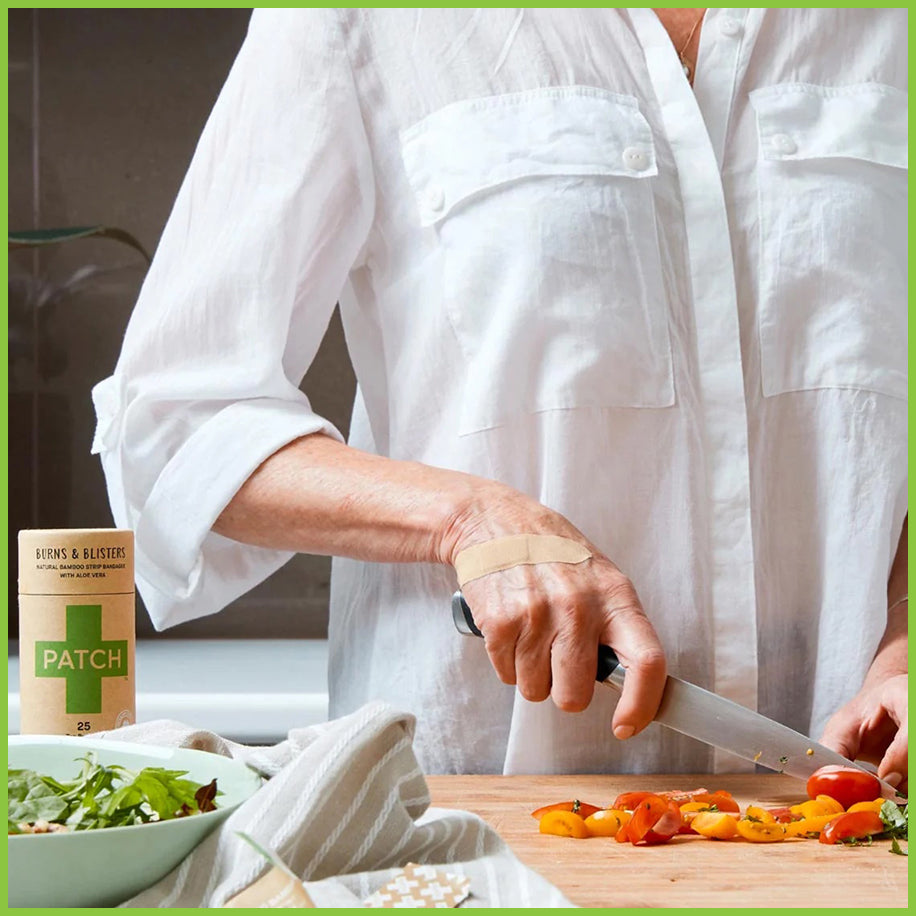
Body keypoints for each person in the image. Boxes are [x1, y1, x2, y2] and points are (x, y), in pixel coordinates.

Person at [92, 8, 907, 784]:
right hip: (471, 824)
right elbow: (174, 425)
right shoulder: (359, 18)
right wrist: (468, 520)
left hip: (850, 821)